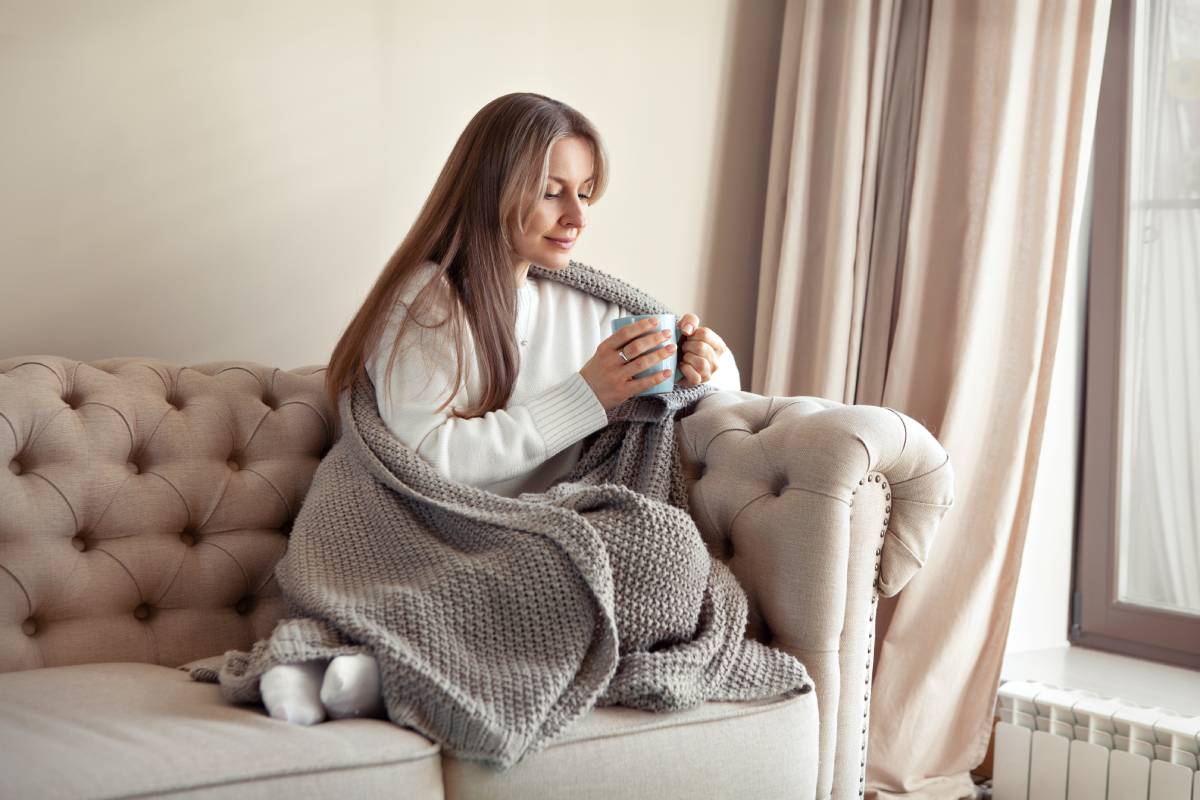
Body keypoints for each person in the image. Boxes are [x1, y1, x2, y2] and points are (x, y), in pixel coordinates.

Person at [258, 92, 742, 725]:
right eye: (552, 192)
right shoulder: (427, 301)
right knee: (558, 566)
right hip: (425, 538)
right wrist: (589, 395)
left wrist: (705, 361)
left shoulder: (585, 304)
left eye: (586, 193)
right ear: (493, 188)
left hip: (531, 532)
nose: (577, 217)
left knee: (671, 549)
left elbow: (718, 392)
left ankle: (388, 672)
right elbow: (432, 460)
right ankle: (383, 666)